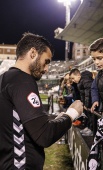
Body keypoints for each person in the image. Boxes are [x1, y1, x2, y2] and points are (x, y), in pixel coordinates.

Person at [0, 32, 83, 170]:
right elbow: (44, 134)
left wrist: (56, 118)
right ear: (33, 53)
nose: (46, 69)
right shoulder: (22, 80)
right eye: (46, 61)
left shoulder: (5, 79)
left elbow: (23, 121)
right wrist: (72, 114)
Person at [69, 68, 94, 136]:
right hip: (87, 104)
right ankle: (89, 128)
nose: (73, 80)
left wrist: (86, 104)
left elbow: (88, 93)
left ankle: (91, 130)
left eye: (73, 78)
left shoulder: (85, 80)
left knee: (92, 117)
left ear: (78, 75)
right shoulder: (80, 82)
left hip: (90, 104)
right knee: (89, 116)